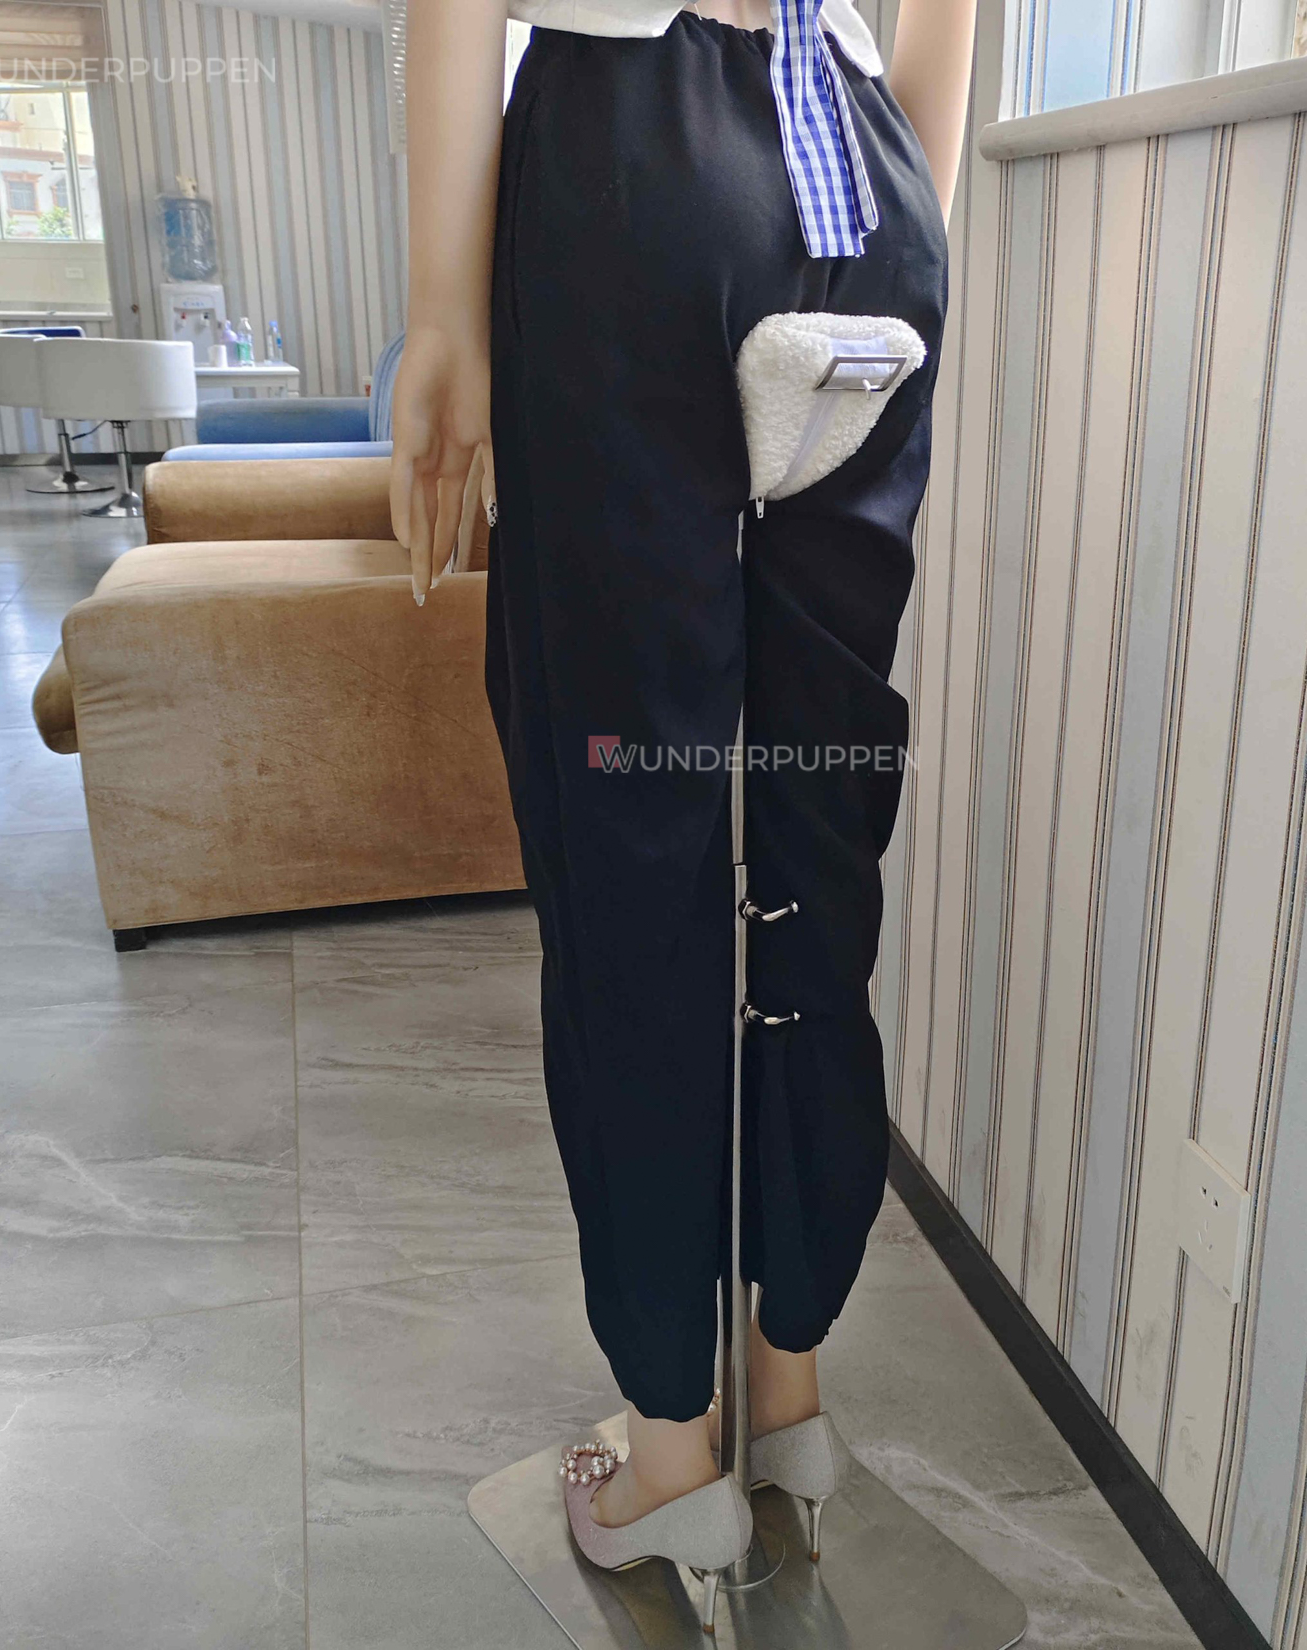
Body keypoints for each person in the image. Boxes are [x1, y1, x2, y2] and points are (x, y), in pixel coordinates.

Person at [390, 0, 975, 1608]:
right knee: (816, 823)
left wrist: (443, 313)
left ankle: (669, 1451)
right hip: (871, 181)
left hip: (638, 155)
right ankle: (788, 1390)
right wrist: (900, 227)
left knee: (626, 833)